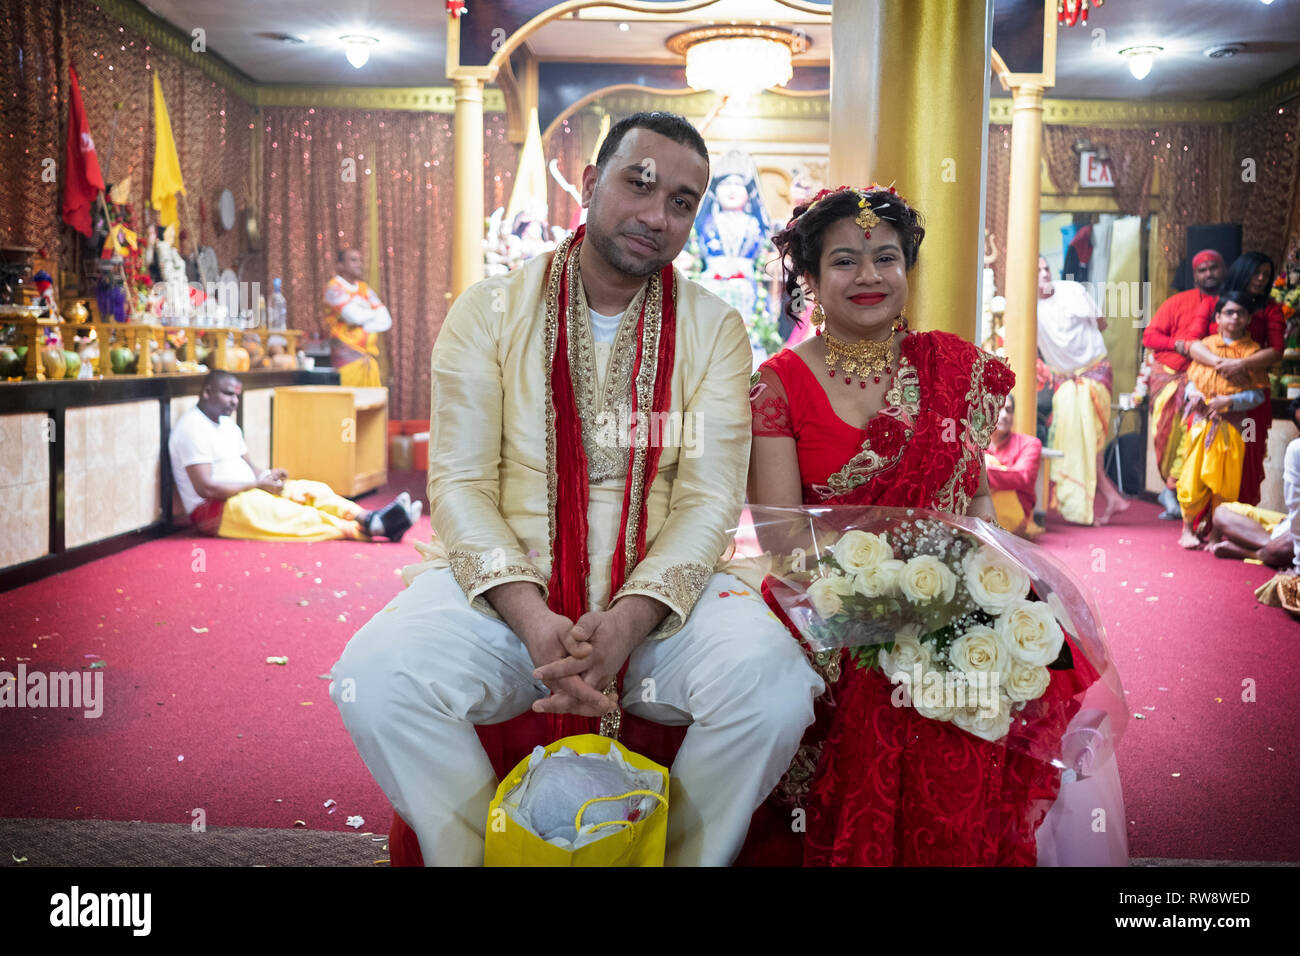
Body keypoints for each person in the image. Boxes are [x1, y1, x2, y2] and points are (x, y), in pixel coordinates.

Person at [330, 112, 823, 867]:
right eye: (641, 183)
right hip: (505, 595)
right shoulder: (489, 312)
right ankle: (475, 857)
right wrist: (530, 616)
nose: (658, 216)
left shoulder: (713, 329)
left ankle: (682, 858)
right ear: (591, 184)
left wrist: (626, 622)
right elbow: (460, 483)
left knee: (776, 684)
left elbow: (707, 501)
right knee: (375, 675)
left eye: (684, 202)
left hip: (661, 605)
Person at [749, 185, 1099, 865]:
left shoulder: (953, 371)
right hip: (825, 608)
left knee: (1016, 665)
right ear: (812, 281)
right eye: (845, 262)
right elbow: (785, 543)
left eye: (887, 257)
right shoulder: (778, 384)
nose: (871, 276)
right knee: (887, 699)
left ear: (908, 269)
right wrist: (887, 606)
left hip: (953, 596)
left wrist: (973, 594)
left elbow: (973, 508)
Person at [170, 371, 418, 541]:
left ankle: (370, 517)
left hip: (248, 491)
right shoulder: (191, 428)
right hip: (215, 510)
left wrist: (268, 477)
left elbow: (248, 467)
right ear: (207, 392)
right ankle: (372, 529)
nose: (234, 401)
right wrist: (258, 484)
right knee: (297, 516)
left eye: (237, 396)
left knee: (313, 490)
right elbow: (206, 488)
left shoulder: (227, 425)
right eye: (228, 394)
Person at [1036, 256, 1129, 525]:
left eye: (1046, 267)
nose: (1044, 273)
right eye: (1037, 269)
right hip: (1066, 380)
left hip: (1094, 372)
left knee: (1092, 437)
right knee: (1079, 438)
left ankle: (1101, 499)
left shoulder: (1071, 291)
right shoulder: (1028, 306)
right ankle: (1108, 497)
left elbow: (1101, 322)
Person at [1175, 291, 1272, 549]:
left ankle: (1217, 535)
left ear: (1248, 318)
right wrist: (1193, 394)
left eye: (1241, 313)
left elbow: (1257, 395)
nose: (1235, 317)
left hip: (1232, 427)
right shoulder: (1205, 346)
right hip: (1201, 425)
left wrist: (1228, 402)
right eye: (1229, 312)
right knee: (1192, 478)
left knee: (1224, 484)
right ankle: (1187, 529)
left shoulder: (1252, 352)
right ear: (1218, 316)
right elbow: (1191, 382)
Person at [1142, 250, 1224, 518]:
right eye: (1203, 270)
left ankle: (1175, 489)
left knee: (1192, 436)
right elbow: (1149, 336)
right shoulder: (1177, 302)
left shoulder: (1230, 307)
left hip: (1205, 382)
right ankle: (1171, 488)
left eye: (1213, 268)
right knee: (1165, 437)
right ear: (1195, 275)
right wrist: (1178, 345)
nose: (1209, 274)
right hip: (1167, 376)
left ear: (1222, 270)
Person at [1208, 252, 1286, 506]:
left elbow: (1276, 351)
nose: (1262, 278)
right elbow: (1195, 342)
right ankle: (1208, 521)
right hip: (1215, 393)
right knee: (1211, 454)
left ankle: (1241, 521)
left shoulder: (1271, 308)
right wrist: (1219, 364)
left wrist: (1241, 363)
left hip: (1252, 402)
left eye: (1266, 274)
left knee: (1249, 452)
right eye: (1256, 273)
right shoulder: (1219, 303)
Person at [1206, 396, 1300, 567]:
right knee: (1221, 512)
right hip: (1287, 525)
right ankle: (1269, 550)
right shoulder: (1297, 449)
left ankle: (1251, 551)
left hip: (1292, 534)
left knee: (1286, 545)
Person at [324, 248, 392, 387]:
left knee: (371, 405)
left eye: (360, 260)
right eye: (353, 260)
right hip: (347, 360)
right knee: (349, 406)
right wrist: (372, 314)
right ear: (340, 265)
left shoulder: (364, 288)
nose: (359, 264)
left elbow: (385, 320)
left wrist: (363, 316)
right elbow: (354, 317)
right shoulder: (334, 287)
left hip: (367, 359)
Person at [986, 393, 1045, 539]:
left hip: (1017, 519)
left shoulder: (1030, 444)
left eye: (1009, 410)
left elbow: (1023, 476)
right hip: (984, 511)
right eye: (999, 409)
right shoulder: (976, 444)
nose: (1004, 415)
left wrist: (983, 475)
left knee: (985, 462)